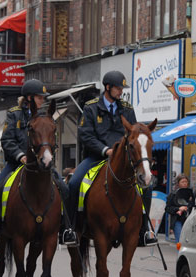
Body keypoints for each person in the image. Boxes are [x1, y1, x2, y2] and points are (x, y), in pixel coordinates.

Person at [66, 70, 157, 246]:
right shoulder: (90, 107)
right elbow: (85, 135)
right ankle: (70, 228)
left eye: (122, 88)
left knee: (146, 185)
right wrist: (105, 150)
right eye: (118, 88)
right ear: (107, 87)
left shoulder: (127, 109)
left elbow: (134, 134)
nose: (121, 91)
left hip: (123, 158)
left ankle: (145, 230)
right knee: (74, 183)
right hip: (96, 156)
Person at [0, 79, 77, 245]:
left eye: (43, 97)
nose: (43, 100)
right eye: (39, 97)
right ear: (29, 97)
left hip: (42, 166)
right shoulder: (14, 114)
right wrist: (20, 155)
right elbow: (7, 140)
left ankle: (66, 229)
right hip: (16, 163)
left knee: (64, 188)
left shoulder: (44, 116)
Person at [165, 174, 195, 243]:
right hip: (177, 220)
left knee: (188, 241)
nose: (184, 184)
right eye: (182, 182)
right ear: (178, 183)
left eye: (186, 182)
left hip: (188, 220)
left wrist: (188, 206)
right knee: (179, 241)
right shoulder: (173, 194)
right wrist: (178, 209)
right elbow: (167, 208)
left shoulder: (191, 193)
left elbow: (194, 204)